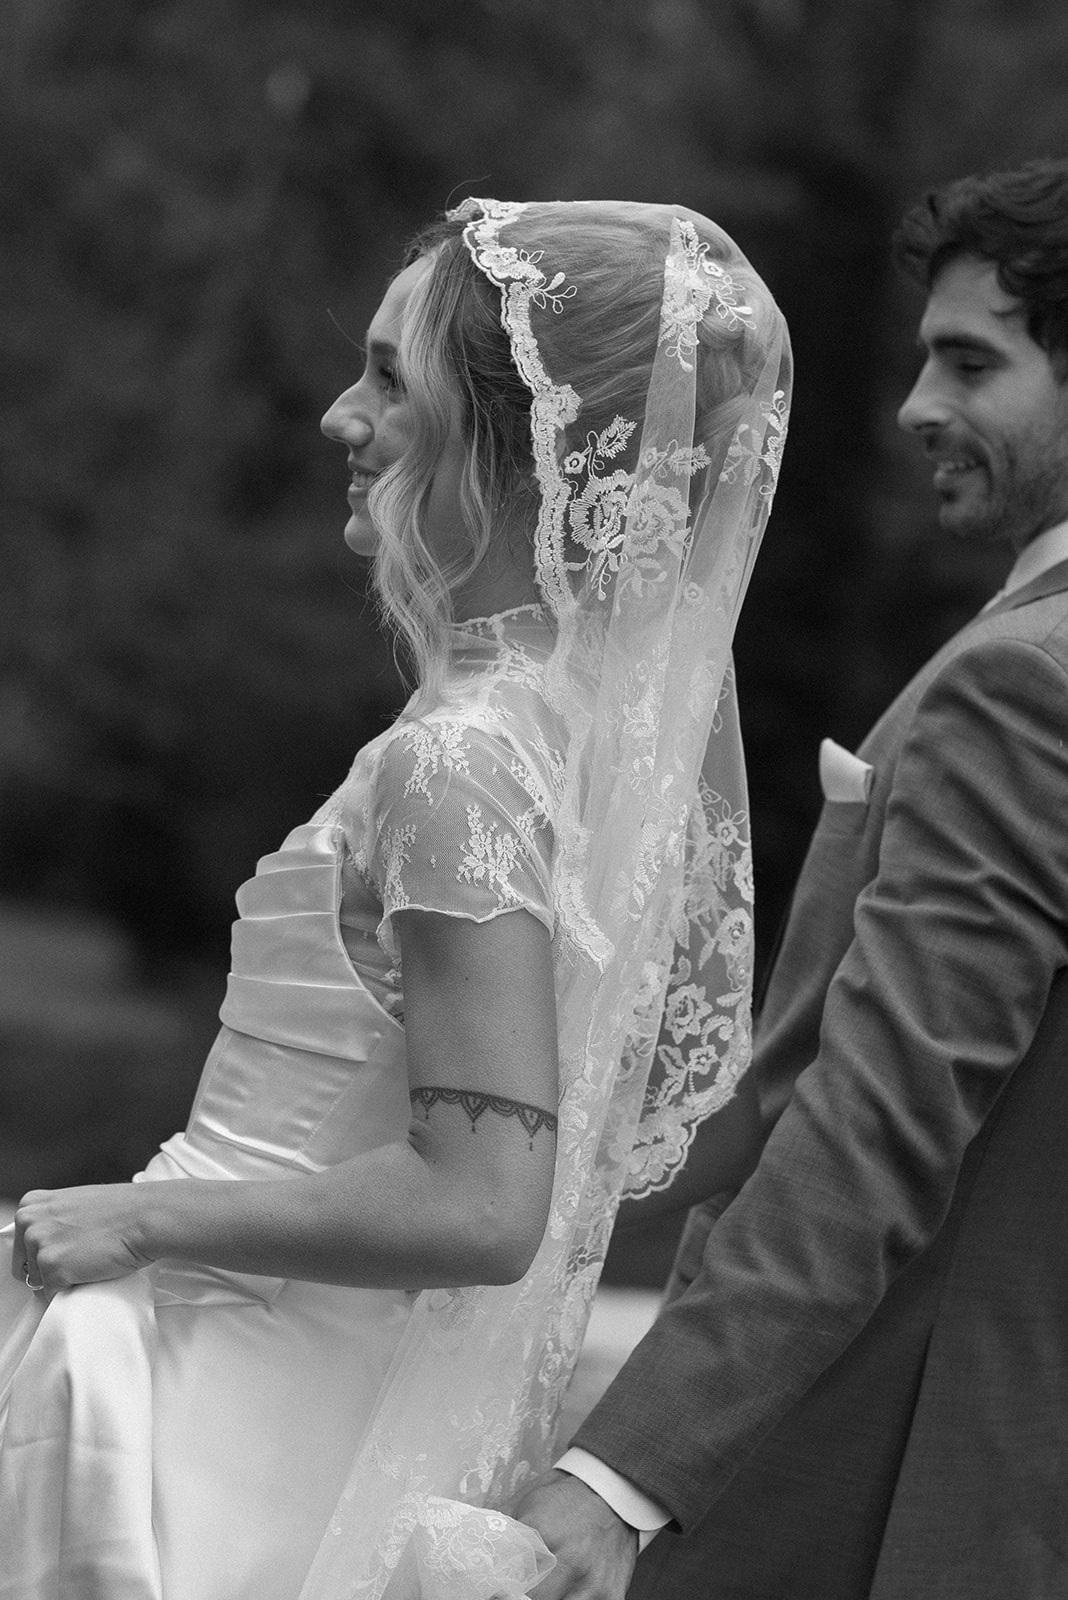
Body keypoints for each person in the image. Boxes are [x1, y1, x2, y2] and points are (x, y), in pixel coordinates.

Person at [0, 199, 790, 1599]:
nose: (337, 415)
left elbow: (486, 1204)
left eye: (388, 378)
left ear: (508, 440)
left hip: (223, 1382)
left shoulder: (463, 759)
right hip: (298, 1374)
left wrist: (136, 1220)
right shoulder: (550, 742)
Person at [515, 156, 1068, 1600]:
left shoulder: (1022, 688)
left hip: (894, 1487)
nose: (916, 409)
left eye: (971, 361)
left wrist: (624, 1475)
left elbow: (871, 1125)